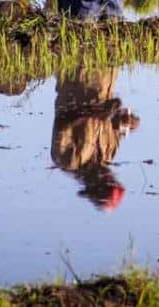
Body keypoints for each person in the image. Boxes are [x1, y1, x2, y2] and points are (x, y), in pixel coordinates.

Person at [50, 65, 139, 211]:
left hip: (78, 71)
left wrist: (93, 113)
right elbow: (118, 124)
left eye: (105, 181)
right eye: (112, 179)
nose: (108, 175)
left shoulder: (66, 160)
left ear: (90, 187)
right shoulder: (109, 153)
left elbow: (62, 122)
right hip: (108, 68)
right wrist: (130, 122)